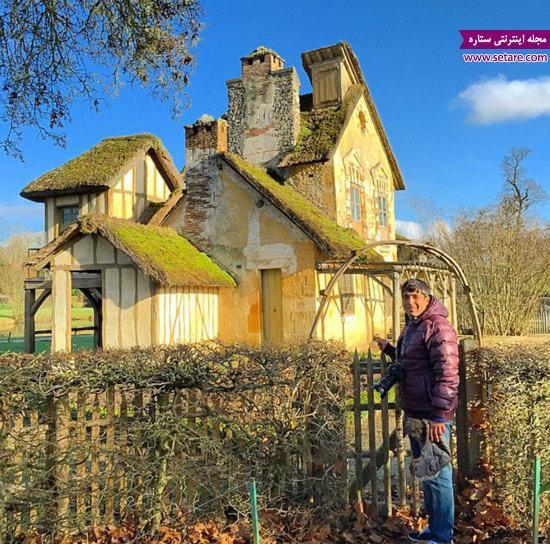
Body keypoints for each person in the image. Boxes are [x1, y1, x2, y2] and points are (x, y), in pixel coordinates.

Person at [375, 278, 459, 544]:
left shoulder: (438, 327)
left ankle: (444, 537)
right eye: (406, 298)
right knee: (427, 476)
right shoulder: (414, 326)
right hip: (415, 413)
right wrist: (389, 349)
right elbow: (411, 363)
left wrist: (439, 416)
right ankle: (434, 531)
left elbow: (448, 375)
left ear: (426, 297)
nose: (410, 303)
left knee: (439, 477)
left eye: (415, 297)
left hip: (431, 416)